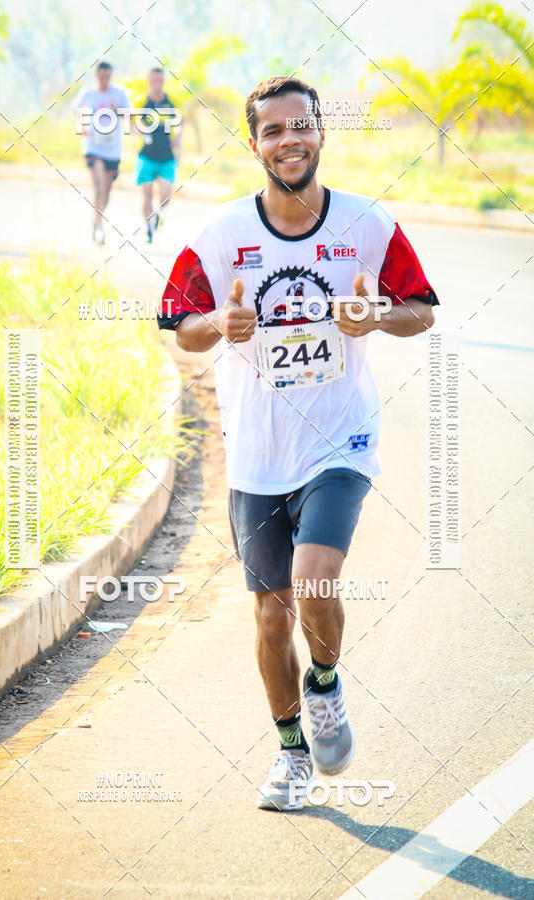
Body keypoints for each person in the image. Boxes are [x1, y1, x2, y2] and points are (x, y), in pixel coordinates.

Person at [157, 76, 439, 811]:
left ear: (321, 133)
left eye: (301, 127)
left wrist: (373, 314)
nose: (290, 141)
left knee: (314, 580)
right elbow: (177, 327)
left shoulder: (367, 223)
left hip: (339, 439)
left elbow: (422, 312)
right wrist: (221, 324)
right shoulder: (220, 237)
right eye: (274, 131)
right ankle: (290, 754)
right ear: (254, 145)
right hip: (256, 451)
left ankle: (325, 684)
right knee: (271, 612)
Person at [73, 61, 130, 245]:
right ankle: (99, 227)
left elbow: (129, 115)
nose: (105, 80)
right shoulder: (88, 94)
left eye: (108, 77)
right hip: (93, 146)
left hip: (112, 149)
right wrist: (83, 126)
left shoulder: (119, 93)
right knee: (97, 186)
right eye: (102, 77)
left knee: (106, 190)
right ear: (96, 76)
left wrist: (118, 111)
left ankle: (96, 218)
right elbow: (76, 110)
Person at [133, 67, 181, 243]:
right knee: (146, 195)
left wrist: (178, 149)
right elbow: (131, 126)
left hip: (167, 157)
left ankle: (157, 214)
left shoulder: (172, 103)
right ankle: (148, 228)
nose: (157, 84)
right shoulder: (141, 103)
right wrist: (139, 131)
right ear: (149, 81)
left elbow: (179, 128)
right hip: (146, 156)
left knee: (166, 197)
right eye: (154, 80)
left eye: (160, 80)